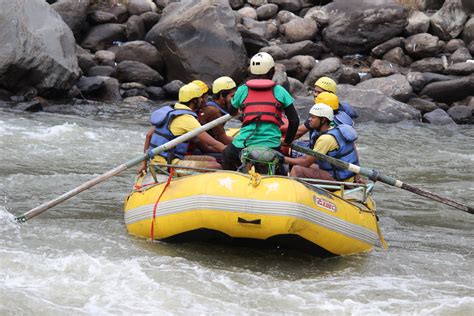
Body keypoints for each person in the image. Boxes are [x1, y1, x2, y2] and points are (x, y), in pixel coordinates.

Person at [222, 52, 299, 174]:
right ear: (272, 71)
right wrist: (288, 141)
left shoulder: (243, 89)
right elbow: (294, 121)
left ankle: (232, 181)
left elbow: (231, 111)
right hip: (272, 144)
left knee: (226, 155)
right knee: (279, 170)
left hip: (244, 143)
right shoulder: (279, 91)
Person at [139, 82, 226, 174]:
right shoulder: (186, 118)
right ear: (194, 101)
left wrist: (144, 164)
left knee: (211, 159)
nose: (203, 100)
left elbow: (149, 135)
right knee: (216, 166)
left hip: (163, 159)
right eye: (201, 98)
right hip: (166, 164)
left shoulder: (172, 111)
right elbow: (212, 143)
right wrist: (233, 152)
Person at [285, 103, 359, 182]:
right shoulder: (333, 130)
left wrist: (283, 159)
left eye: (313, 117)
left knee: (297, 169)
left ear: (323, 120)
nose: (309, 119)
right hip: (342, 173)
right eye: (310, 116)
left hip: (339, 178)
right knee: (306, 165)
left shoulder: (326, 139)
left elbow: (306, 162)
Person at [198, 76, 237, 145]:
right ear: (222, 95)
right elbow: (223, 139)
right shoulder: (213, 111)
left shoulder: (210, 105)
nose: (235, 99)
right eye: (232, 96)